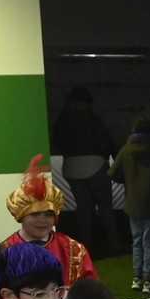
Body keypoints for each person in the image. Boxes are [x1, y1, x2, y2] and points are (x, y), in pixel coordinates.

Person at [0, 156, 97, 299]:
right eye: (34, 214)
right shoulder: (3, 254)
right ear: (20, 216)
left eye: (49, 214)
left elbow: (91, 290)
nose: (42, 220)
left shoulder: (73, 249)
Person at [108, 115, 150, 292]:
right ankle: (149, 281)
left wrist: (127, 181)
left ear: (133, 130)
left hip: (132, 203)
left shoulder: (126, 150)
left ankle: (136, 278)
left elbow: (112, 172)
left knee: (137, 242)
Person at [53, 87, 118, 254]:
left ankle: (86, 243)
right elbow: (106, 141)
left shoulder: (62, 119)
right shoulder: (93, 118)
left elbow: (57, 144)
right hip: (95, 164)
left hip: (70, 167)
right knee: (104, 205)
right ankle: (113, 241)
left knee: (83, 206)